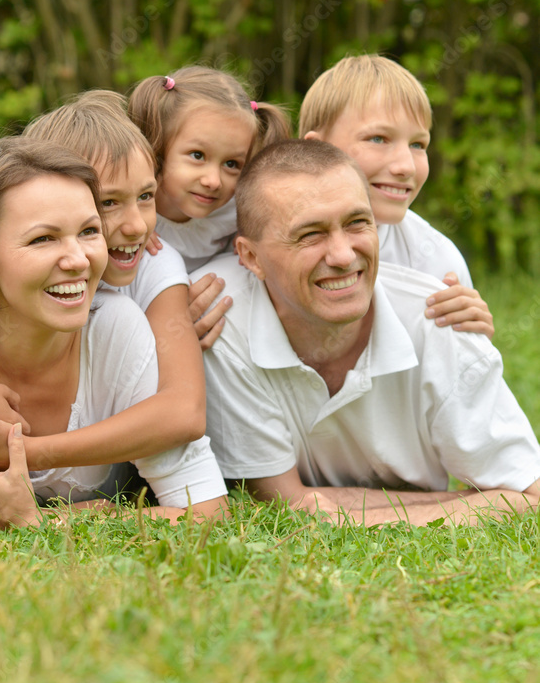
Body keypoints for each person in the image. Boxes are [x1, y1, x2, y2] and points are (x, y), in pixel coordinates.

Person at [0, 137, 228, 526]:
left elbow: (208, 510)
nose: (78, 260)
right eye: (43, 238)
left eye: (90, 232)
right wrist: (7, 520)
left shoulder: (118, 328)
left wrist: (56, 520)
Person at [199, 139, 540, 526]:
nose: (344, 255)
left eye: (358, 223)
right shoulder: (220, 323)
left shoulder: (441, 319)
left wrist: (345, 516)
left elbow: (530, 495)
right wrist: (459, 504)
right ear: (250, 258)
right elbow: (284, 502)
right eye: (310, 234)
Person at [298, 54, 493, 338]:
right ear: (317, 150)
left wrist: (474, 340)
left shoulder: (436, 263)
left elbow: (456, 371)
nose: (406, 166)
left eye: (418, 144)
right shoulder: (260, 240)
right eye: (378, 139)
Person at [127, 65, 291, 275]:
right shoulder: (125, 211)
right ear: (158, 146)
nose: (213, 181)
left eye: (231, 164)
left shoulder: (237, 215)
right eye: (197, 155)